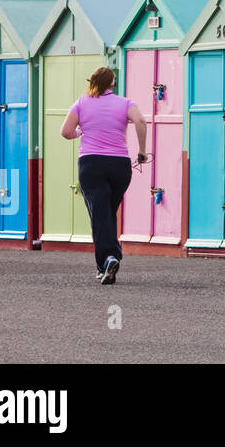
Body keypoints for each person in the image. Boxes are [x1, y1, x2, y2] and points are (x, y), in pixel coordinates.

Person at [60, 66, 148, 285]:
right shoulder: (126, 103)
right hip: (120, 164)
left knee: (99, 214)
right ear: (112, 84)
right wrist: (142, 151)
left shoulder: (81, 103)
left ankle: (107, 260)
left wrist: (82, 131)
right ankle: (111, 256)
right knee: (108, 212)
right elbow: (141, 121)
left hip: (91, 164)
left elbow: (66, 132)